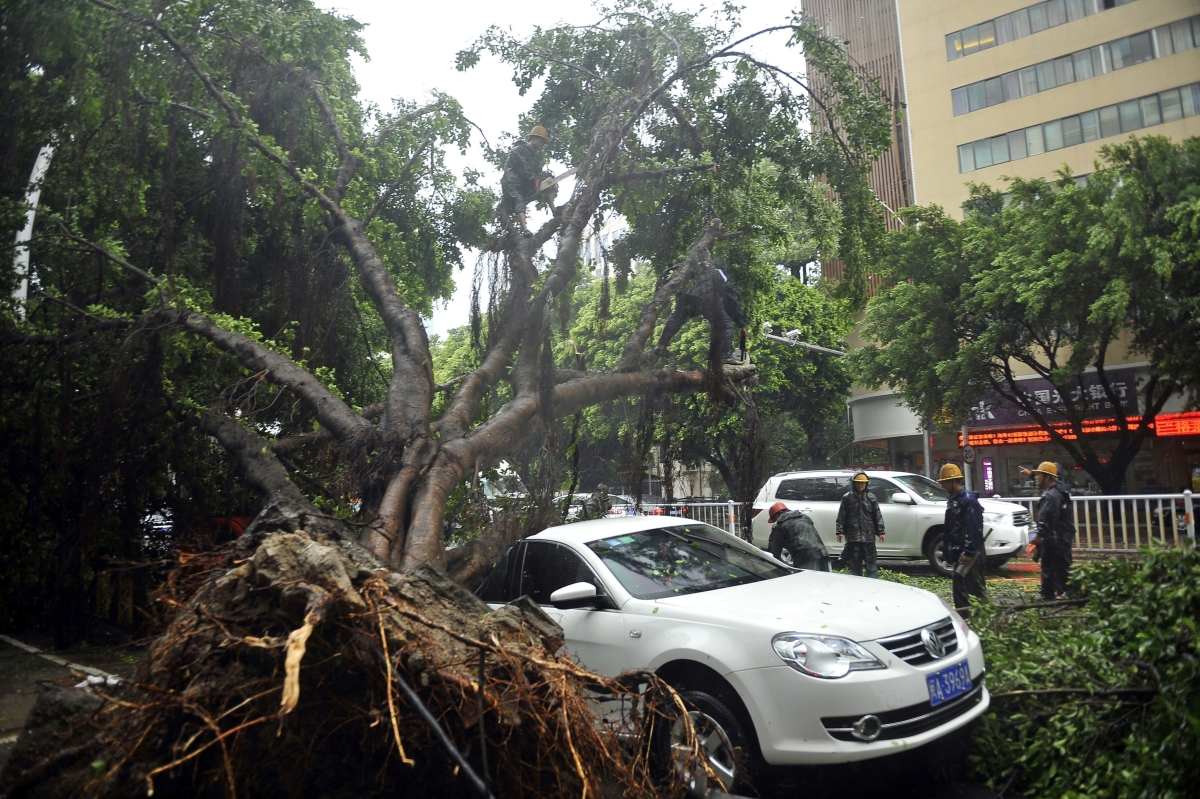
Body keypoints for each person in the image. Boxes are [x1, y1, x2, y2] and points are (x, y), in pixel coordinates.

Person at [653, 258, 748, 364]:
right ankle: (724, 357)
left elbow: (671, 270)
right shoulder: (720, 272)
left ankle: (661, 346)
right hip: (706, 297)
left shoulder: (696, 265)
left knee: (676, 318)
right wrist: (742, 324)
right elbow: (731, 300)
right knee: (725, 324)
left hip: (684, 295)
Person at [937, 463, 987, 615]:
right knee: (959, 592)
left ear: (953, 481)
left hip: (969, 557)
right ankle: (964, 621)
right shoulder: (953, 500)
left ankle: (985, 621)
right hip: (959, 555)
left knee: (976, 593)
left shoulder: (969, 500)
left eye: (945, 482)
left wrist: (969, 551)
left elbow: (974, 528)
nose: (943, 485)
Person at [1029, 461, 1075, 600]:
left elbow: (1048, 517)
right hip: (1054, 537)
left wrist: (1039, 535)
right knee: (1049, 566)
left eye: (1038, 475)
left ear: (1047, 477)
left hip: (1057, 538)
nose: (1036, 478)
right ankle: (1047, 594)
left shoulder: (1053, 496)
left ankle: (1072, 595)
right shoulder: (1054, 493)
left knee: (1062, 568)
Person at [499, 125, 553, 237]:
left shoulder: (536, 158)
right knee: (519, 200)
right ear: (535, 138)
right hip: (512, 184)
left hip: (526, 185)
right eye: (542, 141)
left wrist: (544, 177)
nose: (542, 145)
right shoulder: (518, 151)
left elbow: (537, 173)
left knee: (548, 184)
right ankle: (525, 229)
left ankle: (554, 210)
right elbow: (526, 171)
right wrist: (538, 177)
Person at [835, 472, 884, 578]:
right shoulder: (847, 498)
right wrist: (840, 531)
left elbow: (877, 515)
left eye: (863, 483)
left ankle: (873, 583)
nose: (860, 485)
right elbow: (841, 516)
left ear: (866, 484)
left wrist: (880, 532)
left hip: (868, 537)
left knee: (870, 563)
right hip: (853, 537)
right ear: (854, 483)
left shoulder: (871, 498)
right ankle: (857, 585)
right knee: (855, 564)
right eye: (858, 483)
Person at [767, 501, 830, 571]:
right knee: (824, 580)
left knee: (807, 581)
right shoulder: (804, 517)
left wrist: (787, 568)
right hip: (823, 553)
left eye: (773, 519)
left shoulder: (779, 525)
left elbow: (773, 553)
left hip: (805, 558)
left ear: (776, 515)